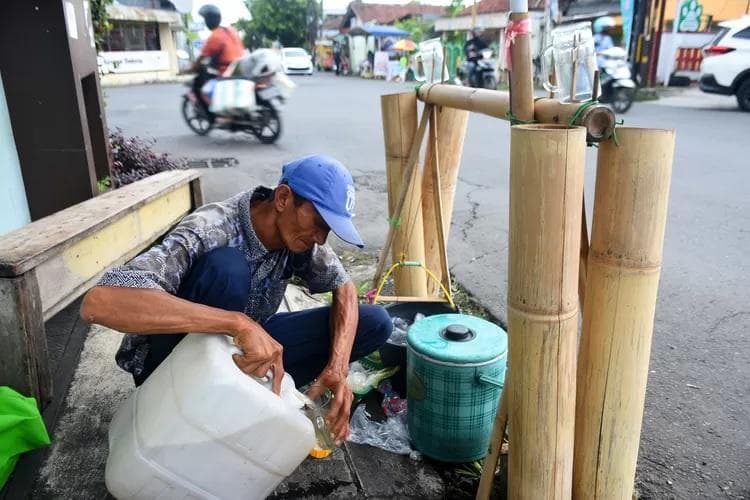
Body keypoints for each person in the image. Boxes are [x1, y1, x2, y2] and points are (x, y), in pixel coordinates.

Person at [80, 155, 393, 443]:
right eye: (319, 224)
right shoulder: (211, 227)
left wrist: (337, 367)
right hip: (168, 368)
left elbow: (345, 288)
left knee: (375, 323)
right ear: (283, 198)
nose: (321, 239)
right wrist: (235, 323)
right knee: (227, 270)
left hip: (236, 357)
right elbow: (100, 303)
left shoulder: (299, 238)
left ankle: (240, 398)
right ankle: (200, 408)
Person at [191, 4, 245, 114]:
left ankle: (219, 114)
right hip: (241, 68)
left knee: (205, 91)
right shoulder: (231, 30)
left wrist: (189, 69)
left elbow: (201, 58)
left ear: (208, 21)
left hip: (227, 73)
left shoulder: (215, 36)